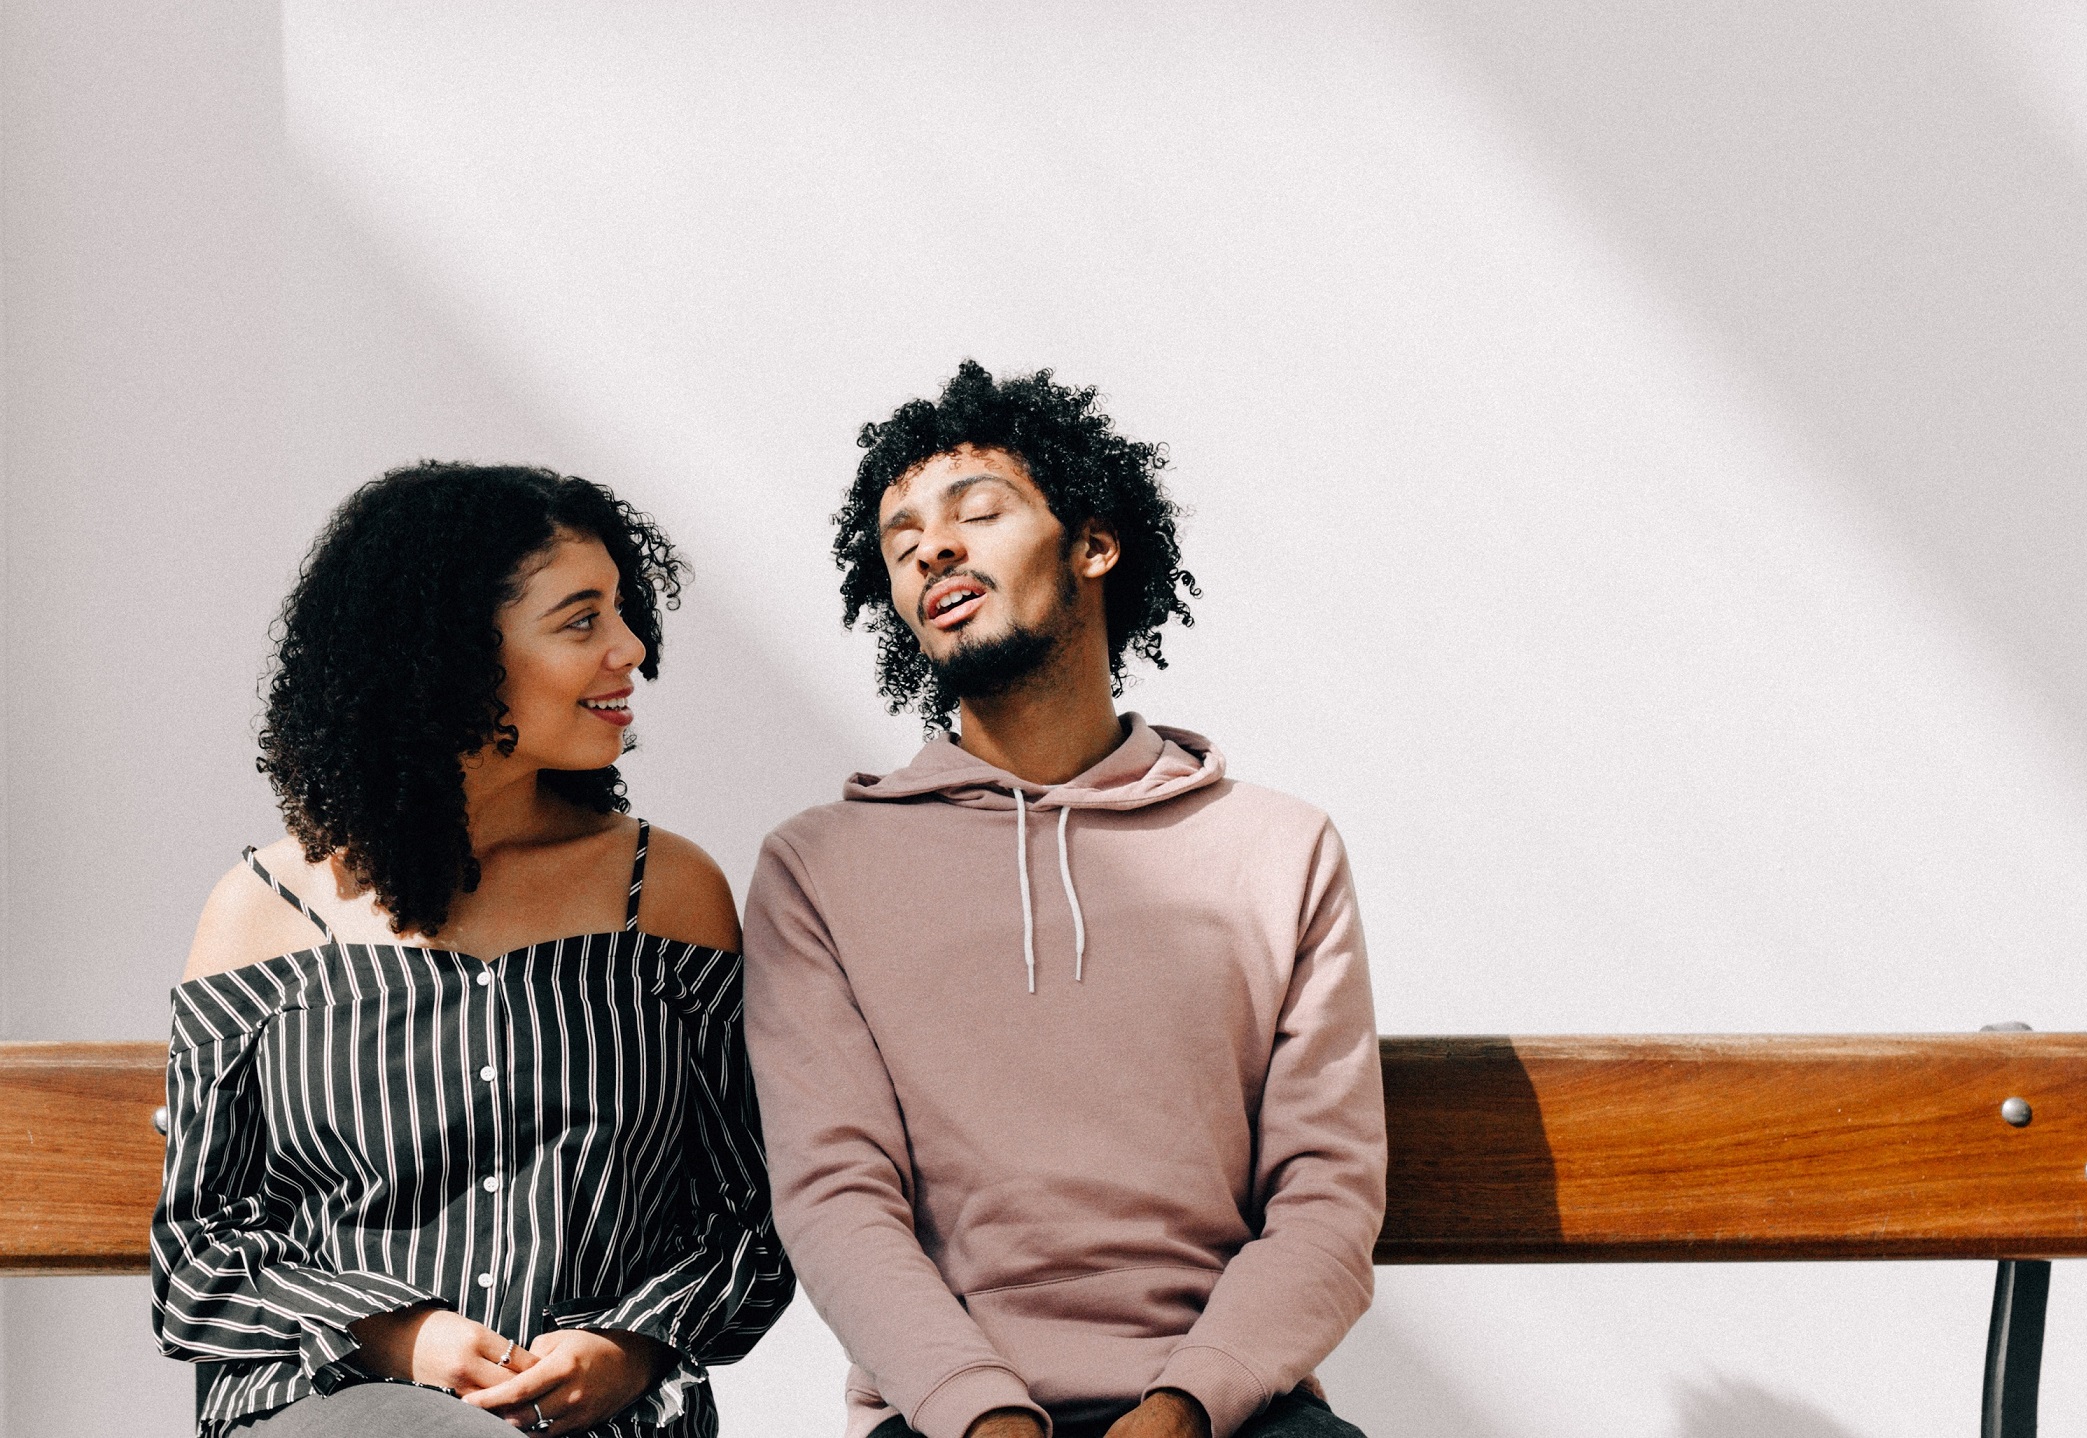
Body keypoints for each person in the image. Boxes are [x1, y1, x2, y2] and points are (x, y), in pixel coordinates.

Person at [743, 362, 1386, 1438]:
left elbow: (1325, 1196)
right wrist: (983, 1415)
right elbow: (836, 1198)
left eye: (975, 513)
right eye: (901, 544)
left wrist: (1185, 1404)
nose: (931, 550)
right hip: (946, 1416)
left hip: (1224, 1411)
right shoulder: (819, 868)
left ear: (1093, 543)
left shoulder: (1277, 849)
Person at [152, 463, 793, 1438]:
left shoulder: (664, 896)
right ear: (447, 654)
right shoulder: (261, 911)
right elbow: (197, 1260)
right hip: (332, 1415)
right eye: (581, 620)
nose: (630, 649)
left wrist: (633, 1345)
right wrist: (394, 1337)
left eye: (622, 613)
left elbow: (750, 1217)